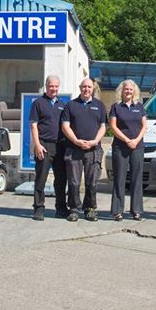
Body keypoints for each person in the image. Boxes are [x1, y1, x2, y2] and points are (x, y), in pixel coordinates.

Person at [61, 78, 107, 222]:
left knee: (92, 182)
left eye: (89, 87)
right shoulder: (71, 105)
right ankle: (73, 209)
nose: (86, 89)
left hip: (93, 150)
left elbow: (103, 127)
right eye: (84, 86)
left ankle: (90, 209)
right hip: (74, 149)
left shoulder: (99, 105)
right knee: (74, 182)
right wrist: (76, 141)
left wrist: (94, 142)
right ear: (80, 87)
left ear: (93, 88)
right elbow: (65, 126)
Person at [29, 75, 68, 221]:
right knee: (41, 179)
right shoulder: (38, 103)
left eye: (56, 86)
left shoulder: (62, 105)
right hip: (43, 145)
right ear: (47, 86)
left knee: (61, 180)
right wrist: (37, 145)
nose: (54, 89)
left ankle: (61, 208)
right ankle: (38, 209)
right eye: (51, 86)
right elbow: (33, 126)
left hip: (60, 146)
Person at [109, 79, 147, 221]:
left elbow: (144, 126)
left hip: (137, 147)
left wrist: (136, 141)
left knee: (137, 178)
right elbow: (113, 127)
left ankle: (136, 210)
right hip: (120, 147)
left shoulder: (140, 106)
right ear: (121, 91)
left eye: (131, 89)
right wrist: (127, 140)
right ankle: (117, 211)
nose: (128, 91)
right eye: (126, 89)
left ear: (134, 91)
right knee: (119, 178)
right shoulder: (115, 107)